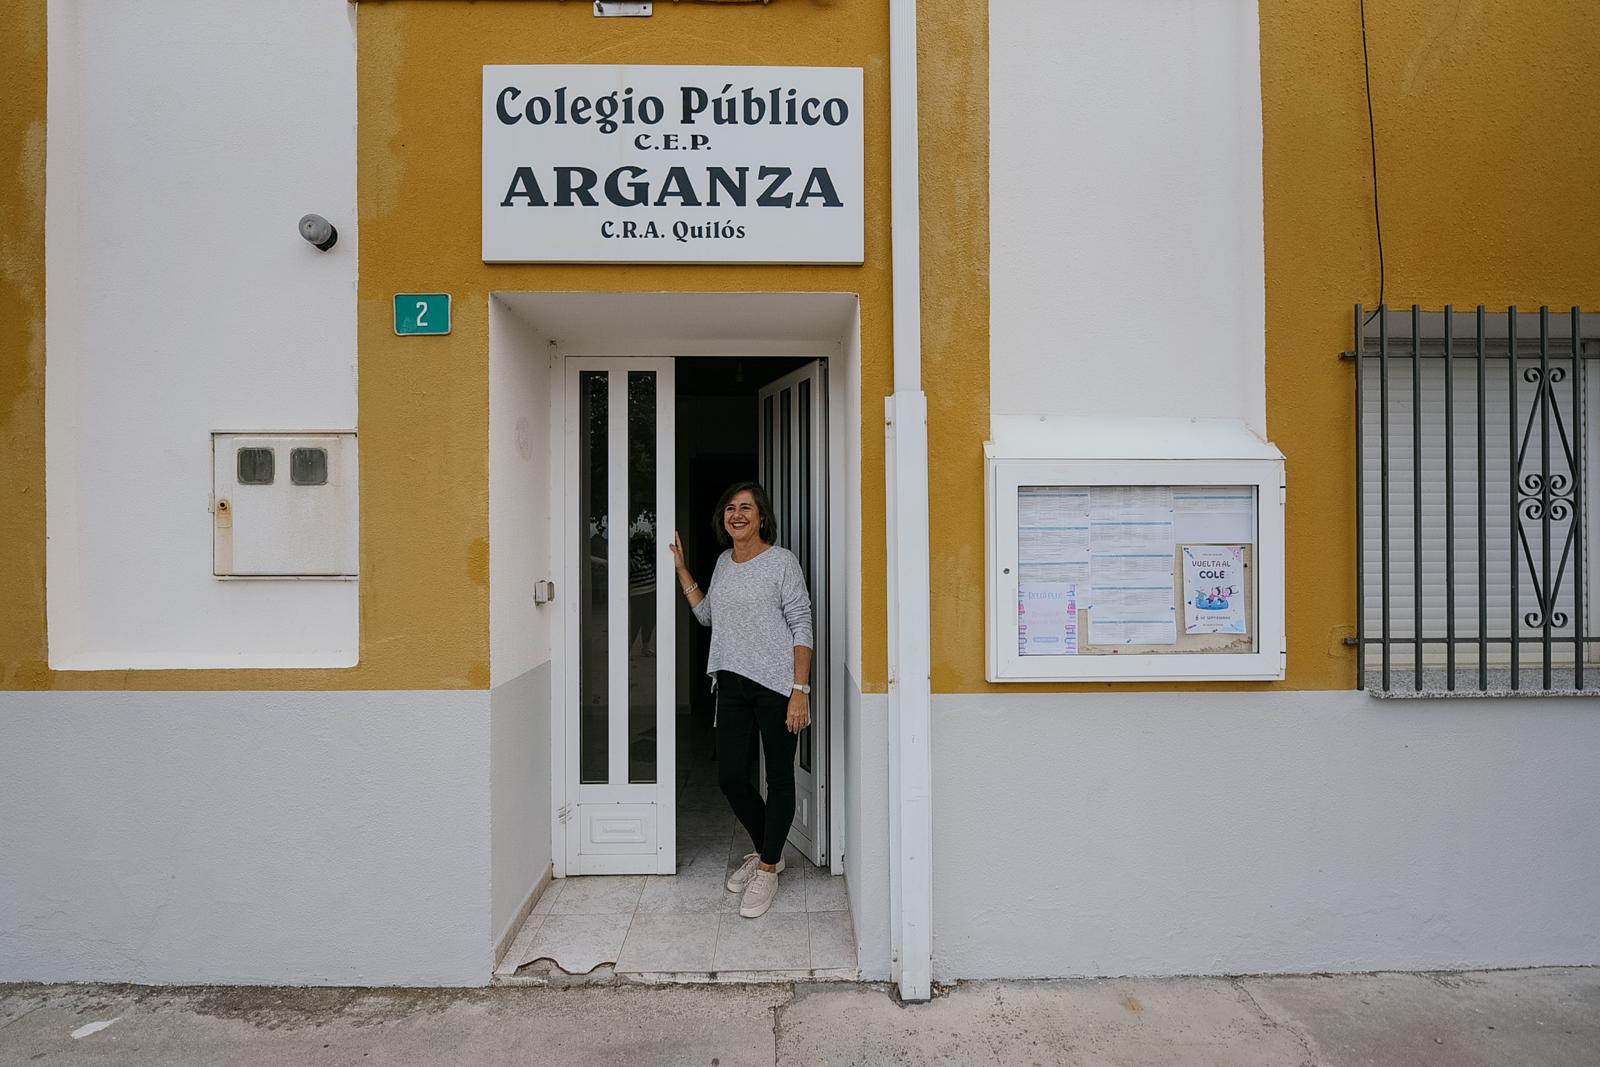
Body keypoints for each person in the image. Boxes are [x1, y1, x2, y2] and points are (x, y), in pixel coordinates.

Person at [670, 480, 813, 919]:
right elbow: (708, 614)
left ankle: (768, 866)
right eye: (730, 508)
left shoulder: (782, 563)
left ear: (761, 516)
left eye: (746, 508)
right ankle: (768, 849)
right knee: (731, 777)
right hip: (731, 684)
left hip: (776, 687)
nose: (737, 515)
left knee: (780, 779)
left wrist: (799, 691)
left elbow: (802, 625)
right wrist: (682, 569)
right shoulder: (723, 564)